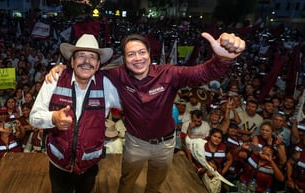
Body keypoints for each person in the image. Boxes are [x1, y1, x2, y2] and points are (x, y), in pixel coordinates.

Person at [47, 32, 245, 193]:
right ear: (123, 59)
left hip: (165, 144)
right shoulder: (117, 74)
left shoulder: (169, 74)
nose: (137, 58)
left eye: (141, 52)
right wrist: (64, 69)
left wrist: (222, 59)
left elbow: (202, 73)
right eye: (131, 54)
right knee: (126, 183)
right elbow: (87, 68)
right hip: (135, 143)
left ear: (150, 54)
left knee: (154, 186)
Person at [30, 34, 121, 193]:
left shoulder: (106, 84)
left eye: (92, 57)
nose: (86, 61)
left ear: (98, 64)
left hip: (89, 165)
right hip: (59, 165)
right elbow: (34, 117)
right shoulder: (55, 78)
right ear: (72, 62)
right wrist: (53, 117)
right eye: (81, 56)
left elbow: (133, 102)